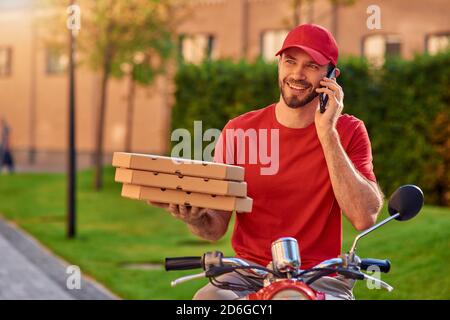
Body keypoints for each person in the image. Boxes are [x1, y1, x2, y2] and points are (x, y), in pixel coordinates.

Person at [150, 24, 384, 300]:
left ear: (332, 76)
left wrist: (327, 132)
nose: (297, 74)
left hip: (320, 277)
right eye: (290, 62)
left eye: (311, 66)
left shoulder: (349, 131)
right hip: (248, 273)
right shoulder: (239, 131)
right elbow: (214, 228)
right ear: (279, 65)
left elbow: (364, 217)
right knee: (207, 299)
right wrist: (194, 218)